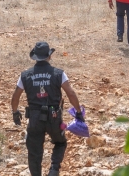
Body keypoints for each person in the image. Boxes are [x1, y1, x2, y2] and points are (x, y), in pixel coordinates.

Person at [11, 42, 84, 176]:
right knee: (60, 143)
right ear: (49, 56)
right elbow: (71, 93)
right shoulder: (58, 73)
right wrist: (78, 112)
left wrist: (15, 112)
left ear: (35, 57)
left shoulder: (25, 75)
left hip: (34, 119)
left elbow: (16, 95)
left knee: (34, 152)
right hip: (54, 118)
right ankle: (54, 170)